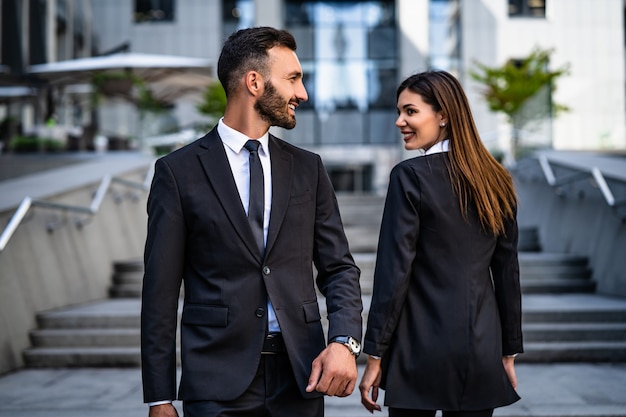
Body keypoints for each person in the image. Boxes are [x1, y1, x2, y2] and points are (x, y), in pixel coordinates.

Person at [141, 26, 363, 417]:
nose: (302, 93)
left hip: (300, 376)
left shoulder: (308, 169)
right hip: (215, 382)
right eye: (293, 79)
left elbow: (340, 268)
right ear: (255, 82)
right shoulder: (177, 173)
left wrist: (345, 342)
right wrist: (160, 397)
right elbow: (159, 291)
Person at [358, 70, 523, 417]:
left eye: (410, 111)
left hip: (418, 349)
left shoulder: (410, 176)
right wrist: (507, 352)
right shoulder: (497, 180)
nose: (399, 121)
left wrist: (375, 355)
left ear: (443, 115)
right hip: (480, 349)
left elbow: (393, 273)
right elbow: (507, 275)